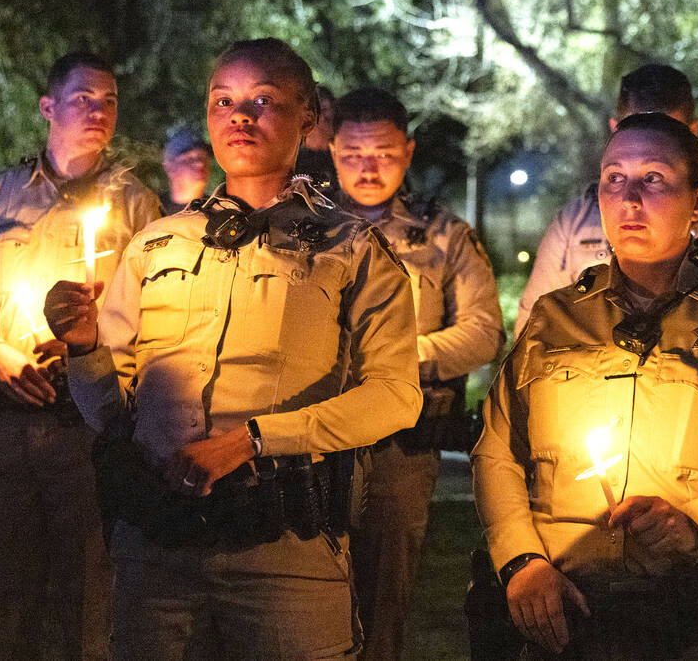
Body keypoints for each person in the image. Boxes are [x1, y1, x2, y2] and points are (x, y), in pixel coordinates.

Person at [43, 38, 423, 661]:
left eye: (263, 100)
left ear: (307, 120)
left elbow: (395, 397)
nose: (239, 116)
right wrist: (84, 348)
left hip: (284, 551)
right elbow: (112, 413)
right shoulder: (156, 246)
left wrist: (251, 440)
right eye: (223, 101)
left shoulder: (350, 249)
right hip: (158, 548)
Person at [473, 112, 698, 660]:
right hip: (572, 616)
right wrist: (521, 561)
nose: (630, 199)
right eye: (614, 179)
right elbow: (496, 447)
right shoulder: (554, 319)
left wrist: (697, 523)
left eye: (654, 179)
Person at [0, 51, 160, 661]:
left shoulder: (136, 205)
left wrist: (88, 347)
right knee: (0, 584)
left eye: (109, 100)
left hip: (86, 429)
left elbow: (157, 315)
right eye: (83, 97)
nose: (99, 110)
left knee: (91, 588)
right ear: (48, 107)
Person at [331, 87, 505, 661]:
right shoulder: (306, 229)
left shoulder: (443, 236)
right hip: (311, 437)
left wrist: (399, 357)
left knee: (383, 599)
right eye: (353, 153)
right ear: (332, 149)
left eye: (382, 152)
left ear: (407, 151)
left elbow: (484, 332)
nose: (367, 167)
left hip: (401, 444)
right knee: (299, 594)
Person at [515, 63, 698, 335]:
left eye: (669, 131)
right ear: (615, 129)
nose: (631, 200)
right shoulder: (575, 221)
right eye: (634, 127)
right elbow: (533, 334)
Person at [159, 126, 210, 214]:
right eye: (190, 158)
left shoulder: (218, 209)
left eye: (202, 157)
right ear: (170, 167)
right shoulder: (153, 211)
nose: (200, 164)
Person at [296, 82, 337, 187]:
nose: (321, 118)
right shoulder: (294, 156)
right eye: (315, 111)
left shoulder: (346, 149)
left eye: (324, 110)